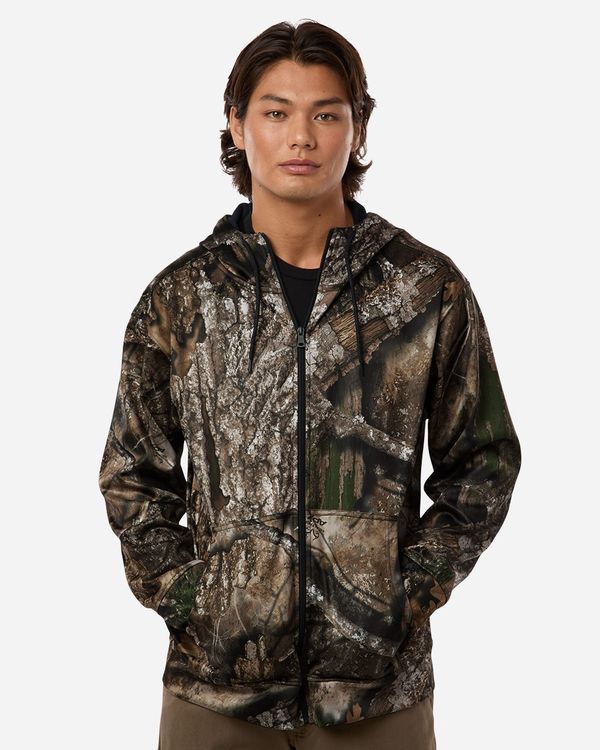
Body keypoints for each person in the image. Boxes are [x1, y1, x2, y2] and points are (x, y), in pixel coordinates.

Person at [98, 19, 522, 750]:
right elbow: (133, 473)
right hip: (215, 693)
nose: (301, 137)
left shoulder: (426, 290)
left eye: (326, 114)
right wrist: (191, 599)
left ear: (357, 129)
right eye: (276, 112)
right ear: (237, 125)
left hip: (377, 697)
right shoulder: (183, 298)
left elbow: (484, 463)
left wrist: (403, 594)